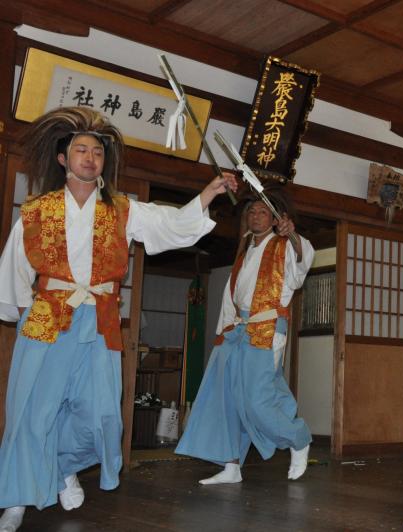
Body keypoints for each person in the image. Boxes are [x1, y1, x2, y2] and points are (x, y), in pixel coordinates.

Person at [0, 106, 237, 532]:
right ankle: (16, 500)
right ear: (62, 159)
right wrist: (24, 317)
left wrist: (208, 193)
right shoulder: (37, 210)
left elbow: (171, 224)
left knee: (102, 415)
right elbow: (15, 269)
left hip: (101, 321)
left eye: (97, 152)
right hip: (47, 320)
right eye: (81, 150)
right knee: (31, 413)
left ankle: (62, 468)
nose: (90, 157)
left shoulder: (123, 209)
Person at [175, 189, 314, 485]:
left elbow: (301, 263)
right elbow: (231, 297)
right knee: (225, 396)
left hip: (266, 328)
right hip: (237, 330)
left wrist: (293, 236)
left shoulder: (283, 244)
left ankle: (298, 438)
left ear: (276, 219)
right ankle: (231, 464)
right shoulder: (245, 248)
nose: (256, 216)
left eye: (264, 212)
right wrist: (223, 331)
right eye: (252, 212)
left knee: (256, 398)